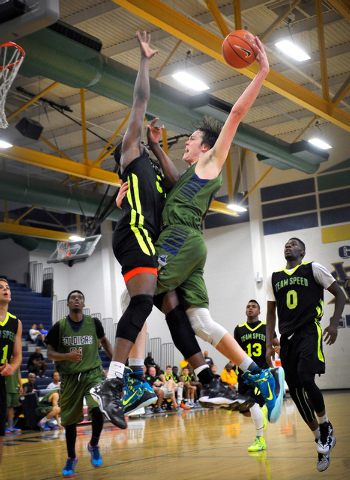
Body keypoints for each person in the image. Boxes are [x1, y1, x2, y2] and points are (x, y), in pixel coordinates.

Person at [93, 33, 284, 429]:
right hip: (173, 241)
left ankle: (133, 378)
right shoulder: (144, 164)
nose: (187, 142)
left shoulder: (197, 166)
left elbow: (231, 119)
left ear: (204, 146)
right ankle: (235, 377)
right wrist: (142, 171)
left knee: (152, 302)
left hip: (176, 240)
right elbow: (166, 161)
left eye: (193, 139)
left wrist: (263, 70)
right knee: (186, 316)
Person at [90, 31, 183, 428]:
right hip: (133, 232)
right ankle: (114, 381)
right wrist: (145, 60)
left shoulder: (155, 171)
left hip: (147, 239)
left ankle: (127, 381)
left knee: (167, 309)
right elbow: (140, 101)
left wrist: (159, 145)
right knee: (144, 303)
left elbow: (177, 182)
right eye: (142, 143)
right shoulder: (130, 155)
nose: (143, 142)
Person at [266, 238, 346, 472]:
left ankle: (325, 426)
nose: (288, 246)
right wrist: (270, 342)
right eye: (286, 244)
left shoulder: (313, 268)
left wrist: (333, 322)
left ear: (303, 251)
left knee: (305, 377)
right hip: (287, 337)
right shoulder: (274, 278)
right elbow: (271, 312)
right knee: (297, 390)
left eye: (293, 244)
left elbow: (339, 295)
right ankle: (319, 439)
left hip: (309, 330)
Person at [45, 290, 113, 477]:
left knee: (98, 409)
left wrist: (116, 362)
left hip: (92, 373)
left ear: (83, 304)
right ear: (68, 304)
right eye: (73, 298)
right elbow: (49, 353)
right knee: (70, 422)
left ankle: (94, 443)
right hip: (70, 377)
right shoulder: (59, 326)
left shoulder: (94, 323)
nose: (76, 299)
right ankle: (71, 457)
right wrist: (67, 355)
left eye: (80, 297)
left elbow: (104, 341)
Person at [234, 299, 279, 452]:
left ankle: (260, 439)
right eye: (248, 306)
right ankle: (263, 410)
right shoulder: (239, 329)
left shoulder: (267, 327)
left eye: (254, 306)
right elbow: (235, 349)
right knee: (246, 411)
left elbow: (276, 343)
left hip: (261, 373)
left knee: (252, 403)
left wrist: (279, 348)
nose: (250, 308)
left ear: (259, 312)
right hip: (244, 373)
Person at [0, 278, 22, 464]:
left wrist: (11, 368)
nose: (5, 289)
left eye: (7, 287)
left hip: (1, 378)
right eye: (0, 288)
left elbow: (17, 356)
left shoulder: (16, 323)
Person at [5, 366, 22, 434]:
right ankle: (3, 426)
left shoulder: (17, 359)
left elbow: (18, 373)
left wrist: (20, 385)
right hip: (6, 387)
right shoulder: (5, 358)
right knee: (5, 407)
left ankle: (10, 426)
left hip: (14, 387)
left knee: (11, 407)